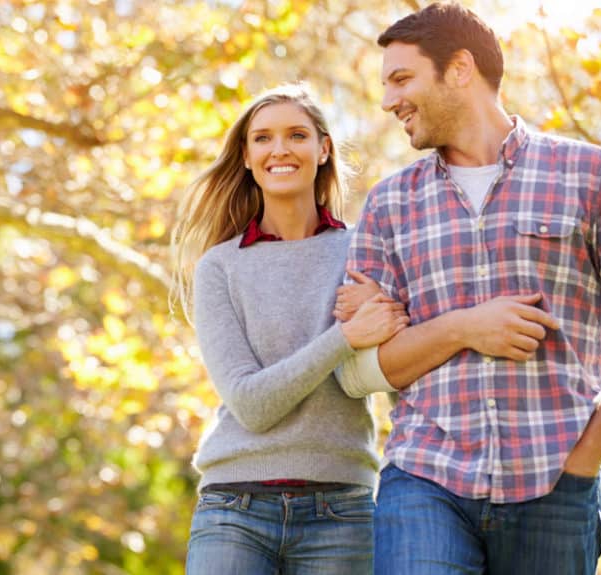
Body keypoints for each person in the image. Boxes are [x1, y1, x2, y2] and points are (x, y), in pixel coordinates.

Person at [338, 3, 601, 574]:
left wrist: (588, 458)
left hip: (556, 482)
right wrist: (463, 326)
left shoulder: (591, 175)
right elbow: (358, 370)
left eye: (402, 79)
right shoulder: (389, 203)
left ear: (460, 69)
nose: (388, 101)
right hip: (424, 477)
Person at [169, 83, 409, 574]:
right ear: (247, 155)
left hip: (342, 511)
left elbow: (392, 369)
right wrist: (343, 338)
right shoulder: (220, 267)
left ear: (323, 149)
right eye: (263, 138)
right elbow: (251, 405)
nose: (280, 149)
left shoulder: (364, 250)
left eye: (297, 135)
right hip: (234, 510)